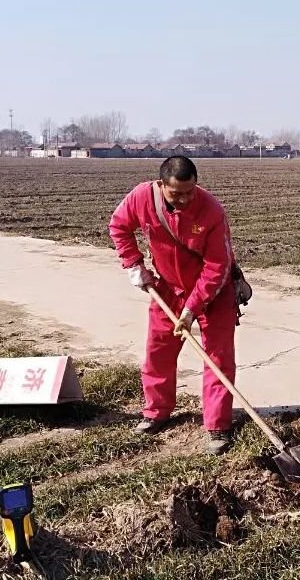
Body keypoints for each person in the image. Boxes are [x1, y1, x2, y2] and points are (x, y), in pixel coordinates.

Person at [109, 156, 238, 455]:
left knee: (217, 360)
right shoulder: (142, 197)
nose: (184, 199)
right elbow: (119, 226)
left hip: (214, 293)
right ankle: (156, 412)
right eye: (176, 193)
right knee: (158, 353)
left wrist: (193, 308)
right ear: (160, 185)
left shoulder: (212, 210)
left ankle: (218, 425)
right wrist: (134, 264)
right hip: (167, 289)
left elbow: (218, 266)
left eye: (190, 191)